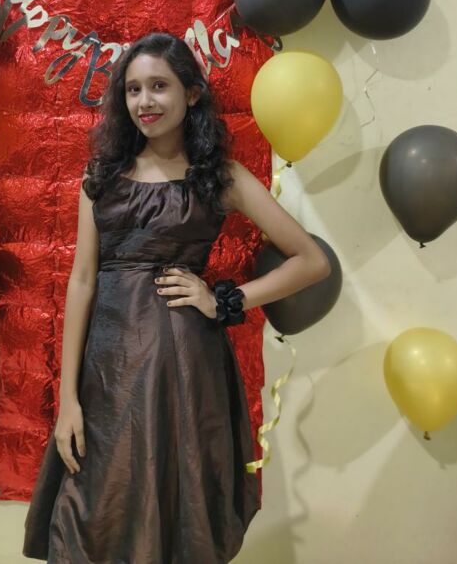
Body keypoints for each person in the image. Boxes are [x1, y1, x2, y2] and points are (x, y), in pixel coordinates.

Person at [23, 31, 330, 563]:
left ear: (191, 93)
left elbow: (312, 261)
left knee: (173, 502)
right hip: (108, 370)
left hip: (184, 366)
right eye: (133, 89)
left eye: (159, 86)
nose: (145, 101)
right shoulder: (100, 177)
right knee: (94, 507)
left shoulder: (220, 178)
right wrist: (68, 398)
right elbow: (82, 280)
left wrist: (224, 300)